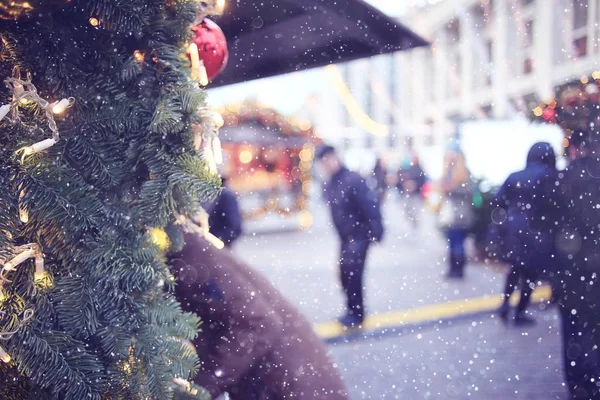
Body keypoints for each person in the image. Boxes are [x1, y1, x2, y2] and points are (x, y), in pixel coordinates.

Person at [169, 233, 349, 400]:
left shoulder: (184, 252)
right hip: (282, 380)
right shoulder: (180, 247)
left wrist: (200, 386)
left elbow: (257, 323)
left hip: (287, 384)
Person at [553, 131, 600, 399]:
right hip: (596, 270)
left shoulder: (561, 180)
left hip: (569, 272)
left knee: (573, 331)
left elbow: (550, 230)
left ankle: (579, 386)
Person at [315, 145, 384, 328]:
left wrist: (376, 231)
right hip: (345, 237)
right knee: (345, 275)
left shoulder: (352, 179)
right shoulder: (330, 183)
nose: (326, 165)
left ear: (335, 158)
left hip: (359, 235)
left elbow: (370, 205)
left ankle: (357, 313)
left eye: (327, 160)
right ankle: (351, 310)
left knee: (353, 275)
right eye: (322, 162)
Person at [494, 142, 559, 325]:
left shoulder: (514, 176)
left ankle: (505, 304)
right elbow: (556, 205)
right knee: (530, 273)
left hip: (513, 229)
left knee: (514, 270)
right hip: (537, 230)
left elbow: (498, 201)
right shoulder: (550, 176)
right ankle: (520, 312)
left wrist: (504, 223)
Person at [437, 143, 473, 279]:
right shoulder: (447, 172)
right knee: (452, 243)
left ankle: (458, 269)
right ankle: (453, 268)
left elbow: (469, 191)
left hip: (460, 214)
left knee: (458, 243)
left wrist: (453, 189)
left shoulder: (464, 173)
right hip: (449, 213)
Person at [207, 177, 242, 247]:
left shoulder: (225, 196)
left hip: (217, 244)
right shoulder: (223, 195)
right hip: (214, 243)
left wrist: (220, 240)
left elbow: (235, 226)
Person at [398, 154, 427, 228]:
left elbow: (422, 182)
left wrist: (415, 185)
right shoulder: (409, 169)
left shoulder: (420, 169)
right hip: (409, 194)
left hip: (416, 194)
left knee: (415, 210)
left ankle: (415, 224)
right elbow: (403, 179)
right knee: (407, 209)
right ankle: (412, 223)